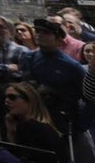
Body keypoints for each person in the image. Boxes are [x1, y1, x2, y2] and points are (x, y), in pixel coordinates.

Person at [22, 18, 93, 162]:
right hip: (35, 119)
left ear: (59, 40)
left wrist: (80, 125)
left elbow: (90, 98)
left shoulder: (72, 67)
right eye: (38, 31)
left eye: (46, 33)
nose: (39, 35)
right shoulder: (29, 57)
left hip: (64, 122)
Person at [3, 82, 67, 160]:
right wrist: (11, 131)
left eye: (12, 97)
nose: (6, 101)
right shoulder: (43, 125)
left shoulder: (31, 127)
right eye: (5, 97)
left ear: (29, 100)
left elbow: (16, 157)